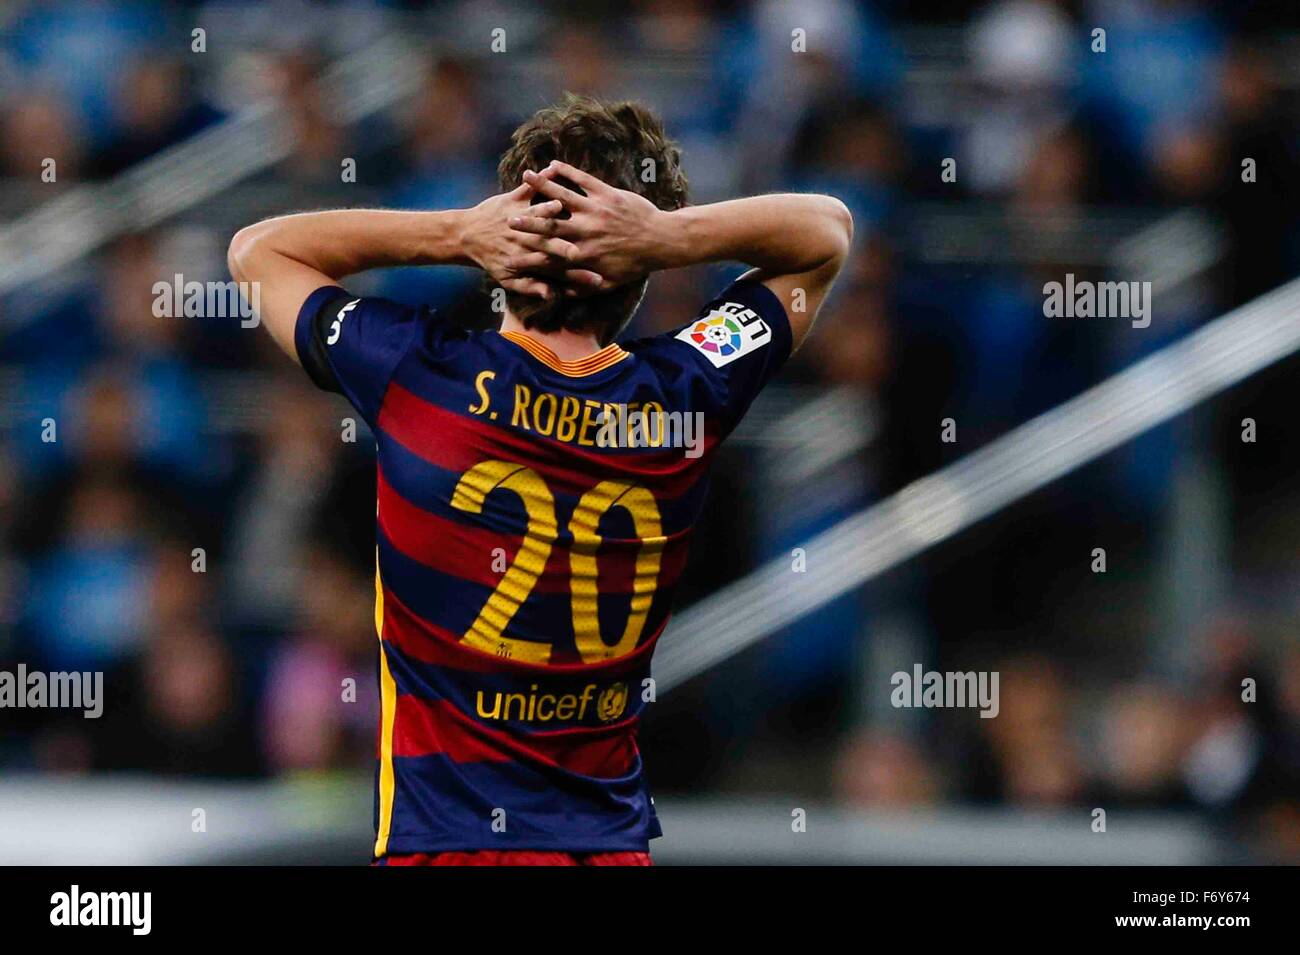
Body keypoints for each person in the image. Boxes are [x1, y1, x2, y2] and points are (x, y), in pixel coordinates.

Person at [228, 93, 851, 865]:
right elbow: (827, 233)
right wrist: (664, 237)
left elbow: (259, 251)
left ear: (506, 229)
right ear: (634, 272)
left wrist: (458, 232)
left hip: (447, 847)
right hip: (605, 849)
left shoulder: (416, 374)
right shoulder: (690, 388)